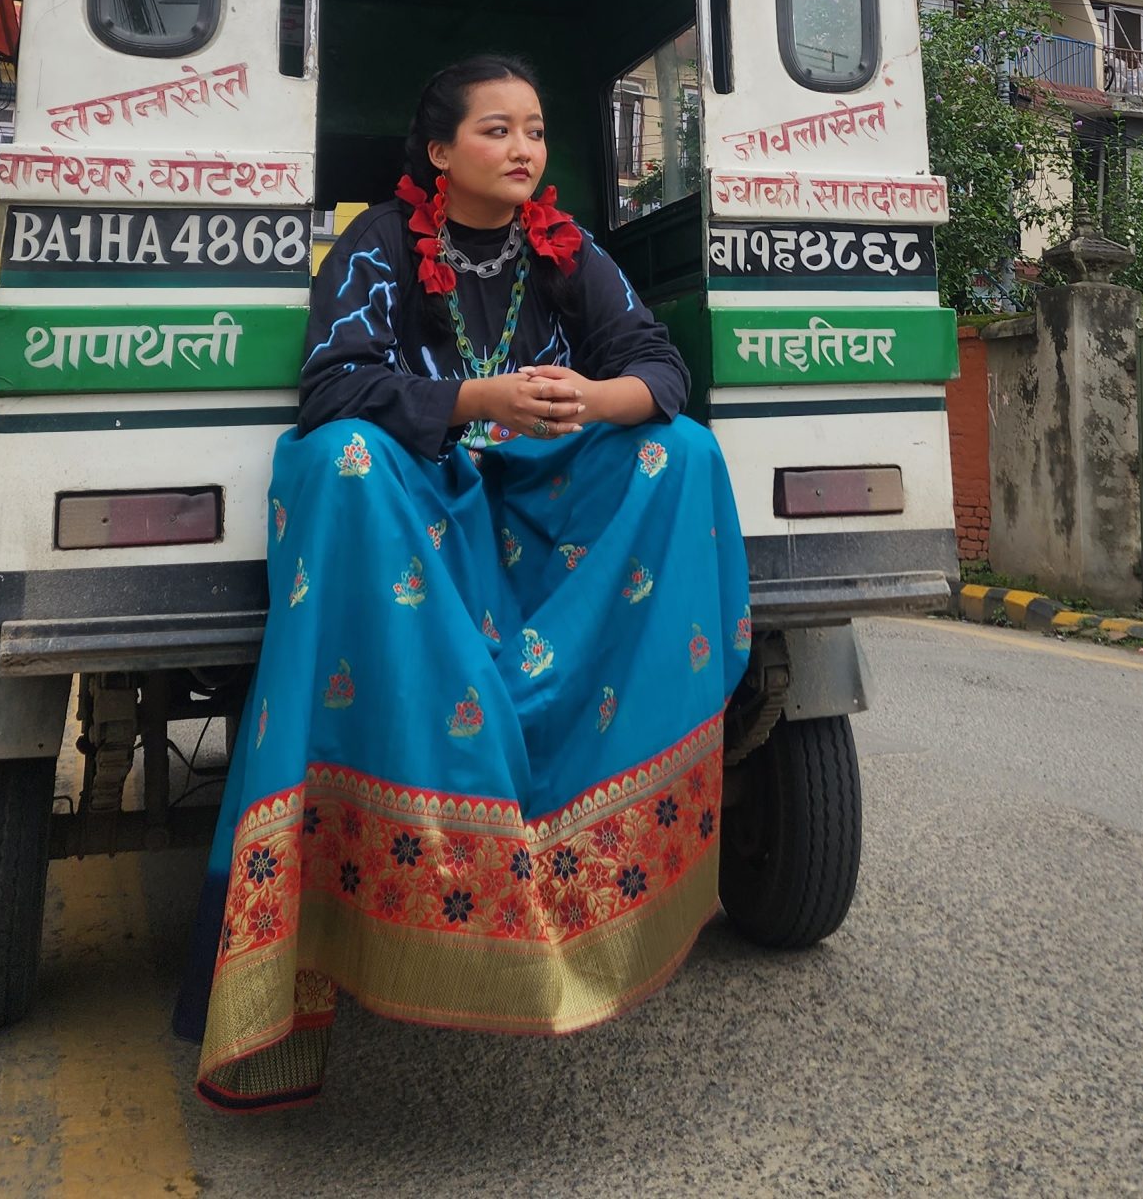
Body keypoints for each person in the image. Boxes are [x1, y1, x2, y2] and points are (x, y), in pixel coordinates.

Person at [180, 54, 751, 1112]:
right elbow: (335, 384)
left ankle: (592, 786)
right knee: (341, 457)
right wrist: (479, 396)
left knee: (687, 452)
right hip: (417, 482)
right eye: (497, 131)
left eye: (534, 130)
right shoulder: (380, 242)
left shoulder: (566, 250)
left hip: (540, 488)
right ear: (440, 152)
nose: (523, 149)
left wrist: (593, 396)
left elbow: (659, 366)